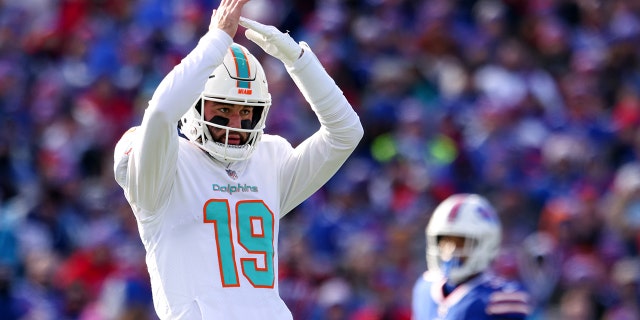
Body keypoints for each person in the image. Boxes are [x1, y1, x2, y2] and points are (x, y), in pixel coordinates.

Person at [112, 0, 364, 318]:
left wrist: (298, 59)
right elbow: (161, 112)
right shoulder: (166, 172)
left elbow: (346, 132)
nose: (235, 124)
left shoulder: (269, 161)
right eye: (223, 110)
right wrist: (217, 39)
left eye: (245, 112)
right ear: (195, 107)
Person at [411, 194, 531, 320]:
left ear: (485, 243)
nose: (450, 251)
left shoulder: (501, 297)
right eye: (444, 241)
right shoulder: (425, 287)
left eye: (459, 242)